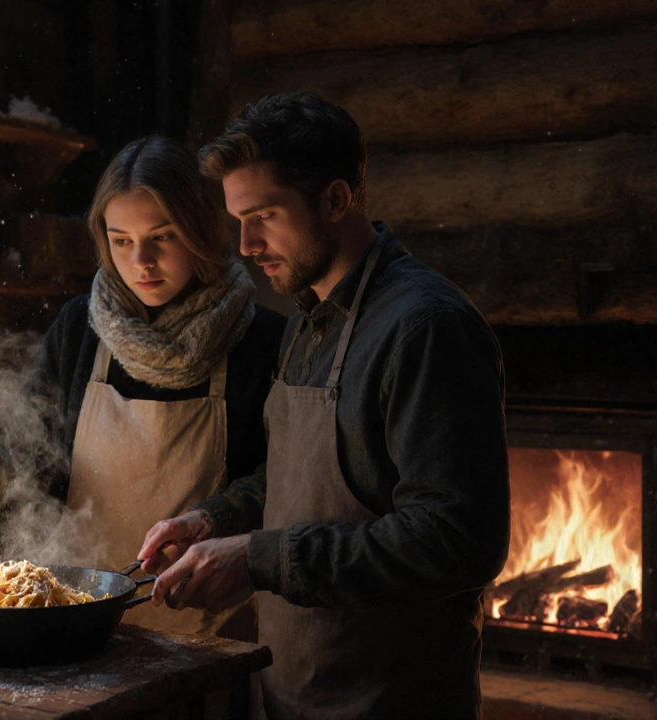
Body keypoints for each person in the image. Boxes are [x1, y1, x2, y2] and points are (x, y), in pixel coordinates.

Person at [137, 93, 510, 719]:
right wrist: (214, 519)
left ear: (336, 199)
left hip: (393, 702)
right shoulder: (306, 321)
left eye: (264, 216)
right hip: (296, 692)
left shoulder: (425, 328)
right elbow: (300, 479)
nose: (246, 244)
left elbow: (458, 539)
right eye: (238, 221)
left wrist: (258, 558)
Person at [0, 135, 286, 636]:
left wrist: (215, 518)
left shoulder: (263, 340)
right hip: (77, 613)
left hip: (211, 630)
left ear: (200, 230)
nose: (141, 260)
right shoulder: (81, 328)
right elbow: (30, 444)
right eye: (121, 241)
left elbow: (283, 481)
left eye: (162, 237)